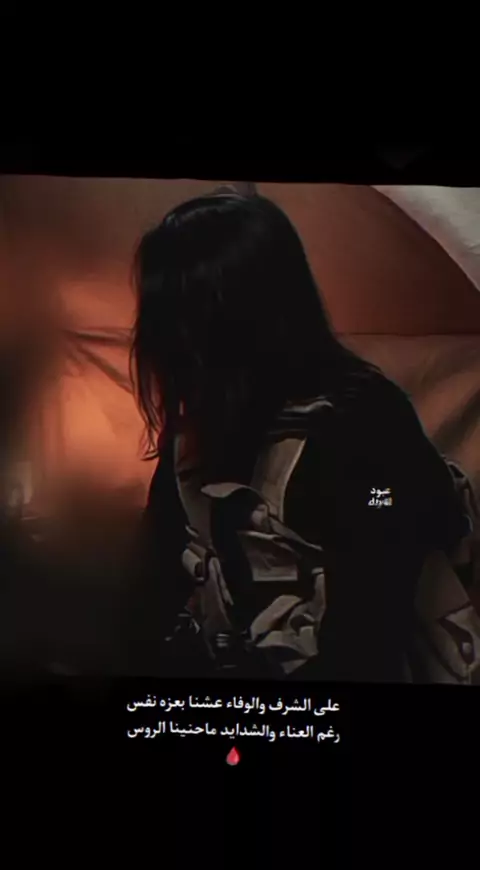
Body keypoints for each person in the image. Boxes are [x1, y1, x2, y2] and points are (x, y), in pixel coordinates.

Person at [128, 191, 471, 682]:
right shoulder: (196, 437)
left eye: (179, 319)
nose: (161, 341)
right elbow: (152, 586)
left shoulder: (362, 423)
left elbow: (371, 621)